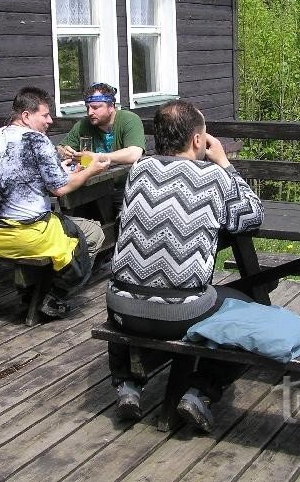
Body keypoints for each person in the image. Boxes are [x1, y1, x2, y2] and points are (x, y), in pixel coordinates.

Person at [106, 100, 264, 433]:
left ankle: (128, 386)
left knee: (128, 284)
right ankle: (201, 392)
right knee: (253, 306)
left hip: (121, 310)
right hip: (179, 315)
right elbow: (251, 216)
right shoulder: (213, 176)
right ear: (197, 141)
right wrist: (224, 162)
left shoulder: (139, 169)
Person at [0, 86, 110, 319]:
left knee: (60, 229)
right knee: (93, 231)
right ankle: (52, 297)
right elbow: (60, 188)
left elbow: (23, 172)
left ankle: (28, 293)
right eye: (45, 115)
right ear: (26, 116)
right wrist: (91, 171)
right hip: (26, 235)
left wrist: (60, 169)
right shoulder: (37, 140)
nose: (50, 121)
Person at [56, 82, 145, 174]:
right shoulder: (83, 124)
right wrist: (64, 152)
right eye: (88, 108)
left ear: (111, 107)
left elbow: (134, 153)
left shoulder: (129, 119)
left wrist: (98, 157)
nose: (90, 112)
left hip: (125, 184)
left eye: (95, 107)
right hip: (93, 183)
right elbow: (59, 148)